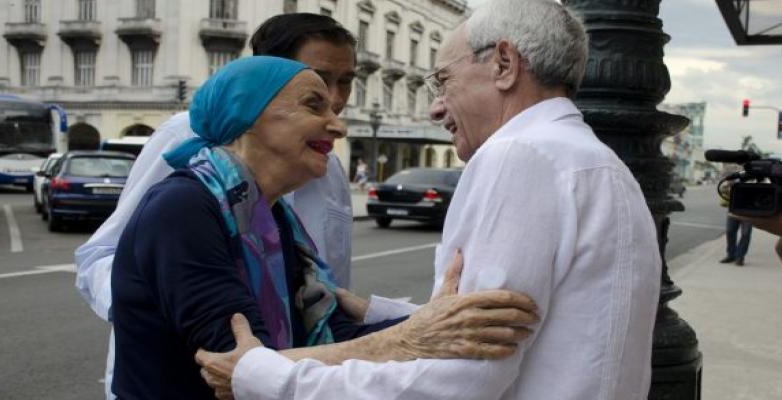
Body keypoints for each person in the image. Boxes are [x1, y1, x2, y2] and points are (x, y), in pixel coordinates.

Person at [195, 1, 661, 399]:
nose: (437, 106)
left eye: (443, 80)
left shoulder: (518, 155)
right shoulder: (599, 163)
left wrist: (269, 376)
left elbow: (464, 371)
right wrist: (380, 313)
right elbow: (515, 327)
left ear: (504, 64)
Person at [111, 56, 538, 399]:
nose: (338, 125)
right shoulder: (182, 207)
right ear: (247, 114)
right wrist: (409, 338)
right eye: (314, 106)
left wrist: (436, 322)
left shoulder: (272, 215)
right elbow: (238, 366)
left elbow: (330, 333)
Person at [76, 14, 370, 398]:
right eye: (317, 90)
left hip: (301, 378)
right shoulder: (186, 157)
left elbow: (322, 294)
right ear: (253, 98)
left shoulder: (318, 169)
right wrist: (155, 305)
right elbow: (108, 253)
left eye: (345, 81)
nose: (337, 105)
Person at [719, 178, 752, 266]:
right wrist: (728, 184)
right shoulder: (735, 178)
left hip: (749, 211)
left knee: (745, 234)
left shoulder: (754, 178)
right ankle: (731, 255)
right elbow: (722, 190)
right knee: (730, 232)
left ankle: (740, 257)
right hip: (733, 210)